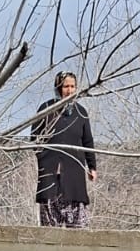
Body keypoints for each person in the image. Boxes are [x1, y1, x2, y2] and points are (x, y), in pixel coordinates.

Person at [32, 71, 97, 228]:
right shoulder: (46, 109)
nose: (69, 90)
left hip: (74, 174)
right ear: (58, 87)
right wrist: (45, 159)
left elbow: (88, 141)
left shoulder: (81, 112)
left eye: (72, 86)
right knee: (49, 227)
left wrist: (92, 166)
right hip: (50, 174)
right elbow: (35, 139)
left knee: (77, 226)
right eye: (66, 86)